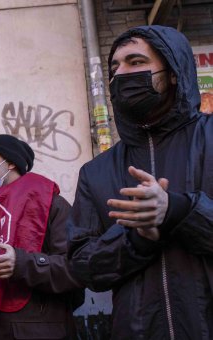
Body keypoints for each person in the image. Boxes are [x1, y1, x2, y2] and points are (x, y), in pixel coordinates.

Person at [67, 25, 213, 338]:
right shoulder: (95, 172)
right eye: (114, 67)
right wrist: (138, 239)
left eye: (135, 62)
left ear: (173, 72)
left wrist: (178, 210)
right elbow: (83, 266)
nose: (120, 74)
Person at [0, 134, 83, 339]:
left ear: (10, 162)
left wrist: (22, 263)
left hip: (37, 328)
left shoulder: (49, 203)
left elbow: (78, 268)